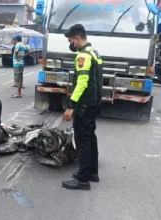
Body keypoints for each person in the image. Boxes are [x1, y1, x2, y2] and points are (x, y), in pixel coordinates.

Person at [61, 24, 103, 190]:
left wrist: (71, 105)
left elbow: (82, 83)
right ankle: (92, 172)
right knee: (90, 136)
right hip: (94, 102)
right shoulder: (94, 52)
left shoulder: (83, 56)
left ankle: (83, 179)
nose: (71, 44)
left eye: (71, 40)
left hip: (85, 103)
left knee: (82, 139)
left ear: (77, 38)